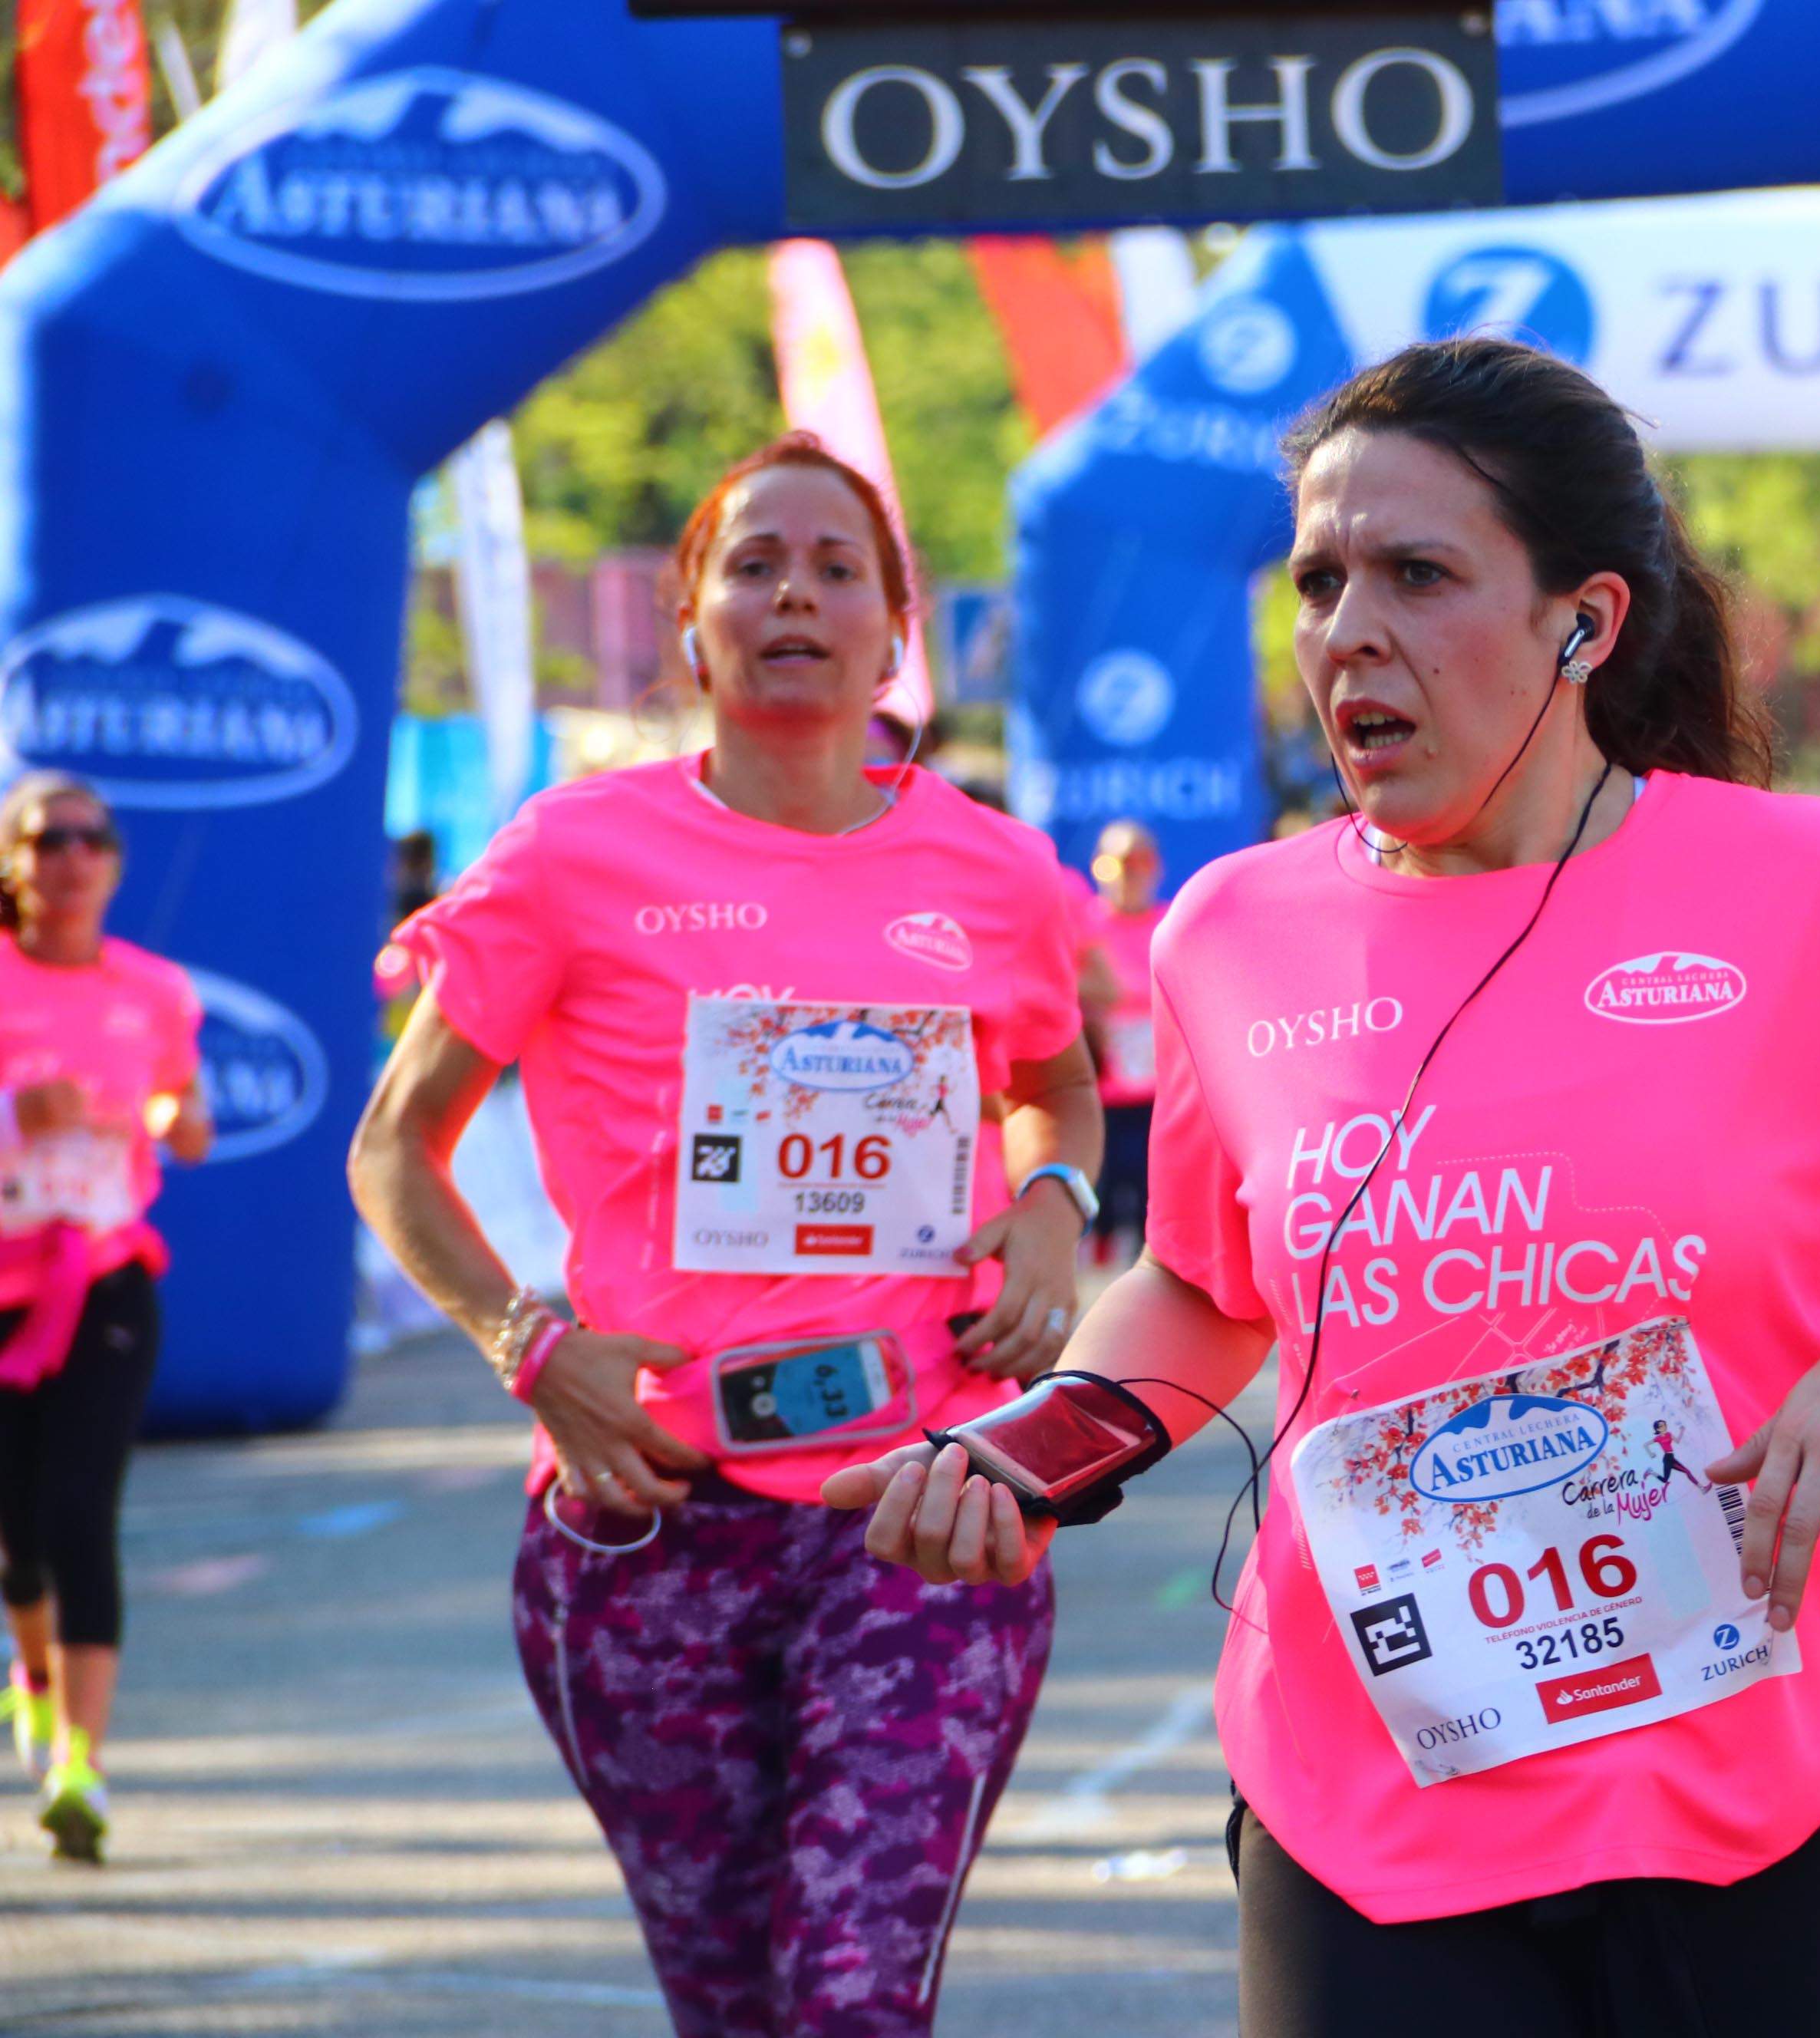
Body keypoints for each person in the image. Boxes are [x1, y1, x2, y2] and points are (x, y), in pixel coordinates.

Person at [829, 339, 1820, 2035]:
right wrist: (1037, 1440)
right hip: (1370, 1812)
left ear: (1586, 621)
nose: (1350, 634)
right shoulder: (1232, 936)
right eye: (1320, 581)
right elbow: (1204, 1286)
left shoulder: (1809, 889)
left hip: (1766, 1800)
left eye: (1420, 574)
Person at [350, 431, 1103, 2036]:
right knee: (737, 2008)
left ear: (896, 630)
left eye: (838, 567)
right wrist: (527, 1345)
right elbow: (393, 1151)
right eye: (753, 563)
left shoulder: (995, 872)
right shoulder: (568, 856)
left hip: (922, 1504)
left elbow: (1057, 1093)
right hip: (651, 1521)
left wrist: (1053, 1209)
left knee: (848, 1995)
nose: (795, 595)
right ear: (690, 622)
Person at [0, 773, 213, 1862]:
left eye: (89, 840)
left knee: (81, 1511)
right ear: (15, 865)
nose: (70, 860)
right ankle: (30, 1676)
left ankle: (79, 1763)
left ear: (115, 864)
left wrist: (180, 1118)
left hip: (105, 1277)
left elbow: (187, 1114)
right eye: (47, 841)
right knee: (17, 1533)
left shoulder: (156, 989)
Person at [1086, 819, 1165, 1262]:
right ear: (1100, 867)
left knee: (1152, 1201)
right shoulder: (1082, 930)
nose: (1131, 872)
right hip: (1099, 1094)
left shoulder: (1174, 923)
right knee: (1104, 1199)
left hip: (1160, 1093)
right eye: (1121, 861)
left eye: (1142, 860)